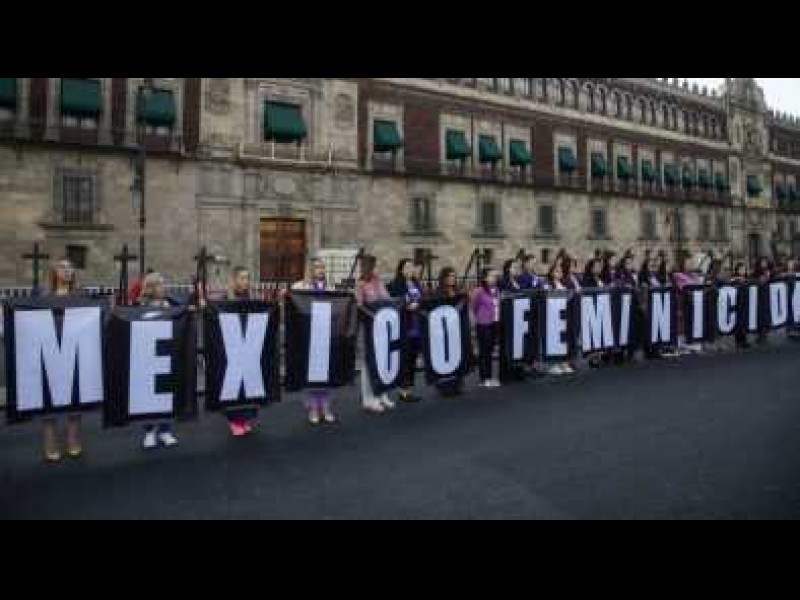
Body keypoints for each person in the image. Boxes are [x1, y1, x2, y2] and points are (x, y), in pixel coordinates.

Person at [41, 258, 83, 463]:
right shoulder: (44, 298)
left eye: (70, 267)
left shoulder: (80, 297)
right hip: (50, 351)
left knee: (75, 397)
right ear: (54, 272)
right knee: (48, 397)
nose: (67, 270)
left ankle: (73, 437)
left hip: (74, 352)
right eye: (62, 267)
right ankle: (50, 441)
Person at [292, 258, 338, 424]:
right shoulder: (300, 286)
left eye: (322, 267)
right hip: (309, 336)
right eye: (317, 267)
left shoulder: (330, 287)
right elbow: (293, 304)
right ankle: (313, 407)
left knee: (326, 372)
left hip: (326, 334)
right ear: (310, 269)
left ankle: (325, 406)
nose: (320, 270)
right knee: (311, 372)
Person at [137, 272, 180, 450]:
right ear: (151, 287)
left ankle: (165, 430)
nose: (164, 288)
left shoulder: (170, 304)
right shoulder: (140, 306)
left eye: (164, 284)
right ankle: (149, 431)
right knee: (148, 395)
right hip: (147, 356)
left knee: (165, 393)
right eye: (160, 284)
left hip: (166, 353)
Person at [221, 266, 262, 435]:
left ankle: (245, 419)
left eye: (247, 278)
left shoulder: (252, 298)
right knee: (235, 385)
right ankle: (234, 420)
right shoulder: (226, 298)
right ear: (234, 279)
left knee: (248, 385)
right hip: (233, 349)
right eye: (242, 278)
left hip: (249, 347)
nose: (245, 281)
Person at [355, 255, 394, 413]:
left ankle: (382, 393)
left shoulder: (378, 281)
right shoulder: (360, 284)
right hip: (367, 328)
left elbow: (386, 298)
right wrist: (373, 313)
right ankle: (368, 398)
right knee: (368, 363)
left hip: (381, 328)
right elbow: (359, 306)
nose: (374, 269)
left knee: (381, 361)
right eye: (371, 266)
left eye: (374, 266)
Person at [388, 259, 424, 403]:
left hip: (417, 326)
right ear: (401, 269)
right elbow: (393, 303)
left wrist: (419, 304)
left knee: (413, 359)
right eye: (407, 267)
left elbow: (422, 299)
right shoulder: (395, 285)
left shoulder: (416, 284)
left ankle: (409, 389)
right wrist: (406, 307)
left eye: (412, 266)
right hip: (404, 326)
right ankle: (403, 390)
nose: (410, 269)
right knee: (405, 360)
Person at [433, 267, 466, 397]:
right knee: (445, 357)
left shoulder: (457, 291)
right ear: (443, 278)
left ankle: (457, 384)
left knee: (456, 356)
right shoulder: (438, 292)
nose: (452, 278)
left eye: (453, 276)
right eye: (449, 276)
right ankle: (444, 386)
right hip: (443, 331)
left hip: (456, 329)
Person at [470, 267, 502, 387]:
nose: (494, 278)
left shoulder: (497, 290)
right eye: (491, 276)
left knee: (490, 350)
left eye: (495, 276)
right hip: (484, 325)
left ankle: (489, 376)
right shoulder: (479, 291)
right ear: (485, 278)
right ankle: (485, 378)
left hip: (495, 323)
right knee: (485, 352)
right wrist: (478, 319)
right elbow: (473, 306)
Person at [545, 262, 575, 375]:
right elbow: (547, 296)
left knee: (563, 340)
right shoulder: (548, 284)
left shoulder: (563, 283)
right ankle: (553, 364)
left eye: (561, 272)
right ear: (552, 273)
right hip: (553, 316)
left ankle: (563, 362)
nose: (560, 273)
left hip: (563, 314)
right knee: (554, 340)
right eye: (557, 271)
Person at [582, 257, 607, 368]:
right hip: (591, 308)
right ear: (591, 267)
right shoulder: (588, 279)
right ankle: (592, 358)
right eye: (596, 266)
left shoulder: (600, 279)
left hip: (601, 307)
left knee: (599, 332)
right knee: (592, 333)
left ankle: (599, 356)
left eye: (600, 266)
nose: (599, 268)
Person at [730, 262, 751, 349]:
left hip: (745, 302)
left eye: (744, 269)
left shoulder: (747, 279)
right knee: (738, 320)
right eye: (741, 269)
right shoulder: (734, 279)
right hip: (737, 302)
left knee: (744, 320)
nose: (742, 271)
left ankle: (744, 340)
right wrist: (736, 279)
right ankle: (738, 340)